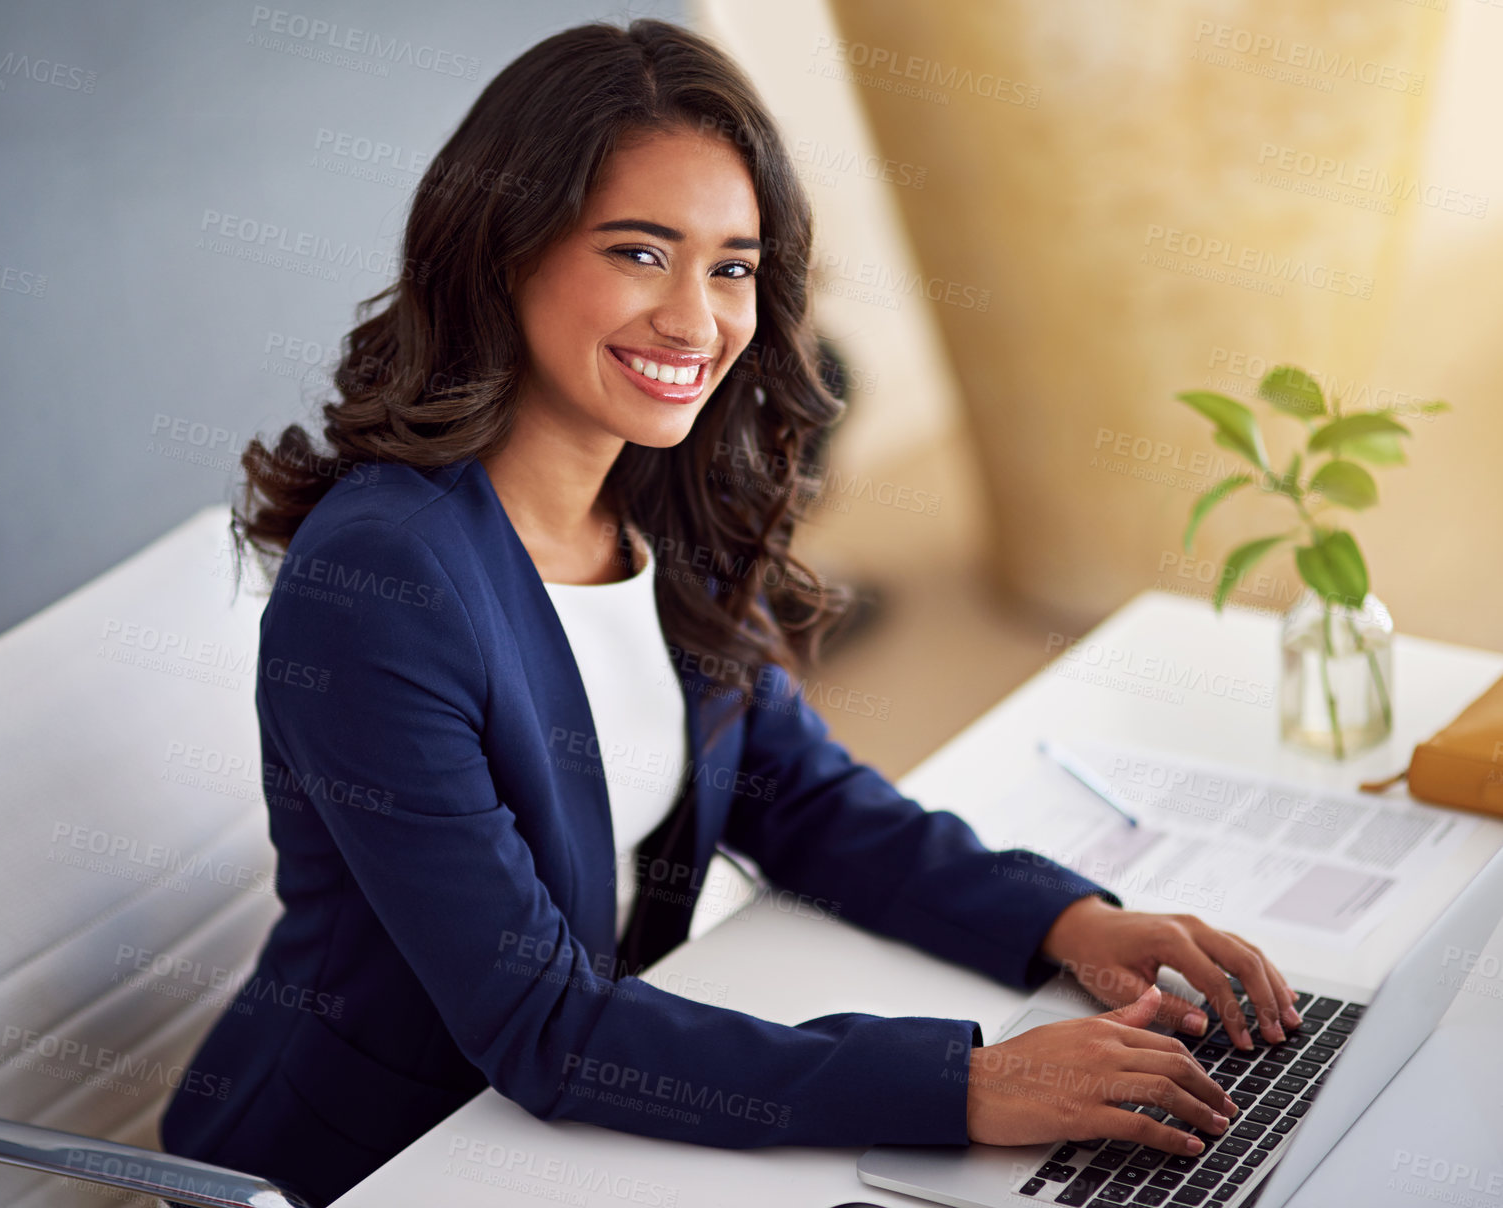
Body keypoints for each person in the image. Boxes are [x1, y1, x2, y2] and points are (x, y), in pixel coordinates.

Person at [159, 18, 1303, 1207]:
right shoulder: (384, 587)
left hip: (577, 1129)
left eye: (733, 265)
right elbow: (540, 1023)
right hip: (377, 1162)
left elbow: (801, 798)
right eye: (641, 253)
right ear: (502, 249)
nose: (696, 321)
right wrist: (962, 1082)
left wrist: (1065, 920)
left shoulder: (662, 497)